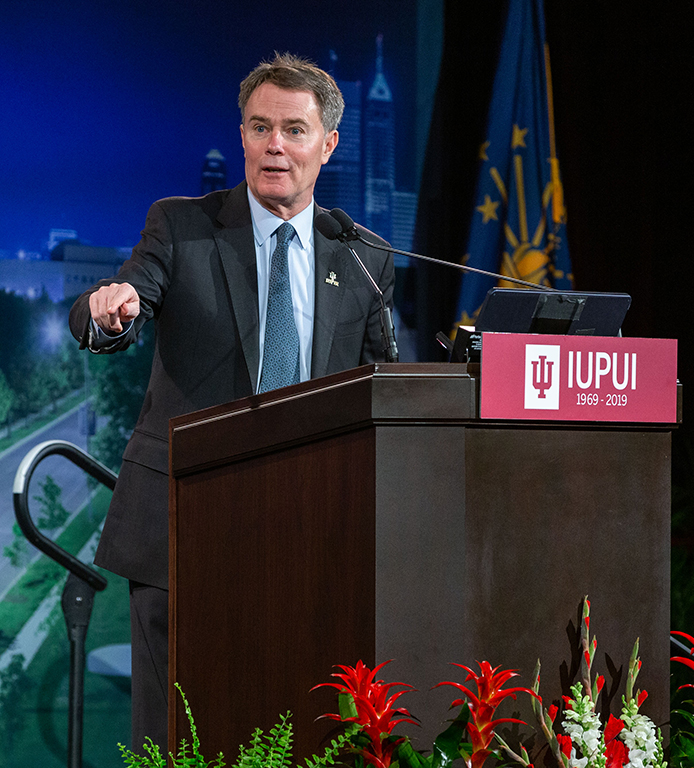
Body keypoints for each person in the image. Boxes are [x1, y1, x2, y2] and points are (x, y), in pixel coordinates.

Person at [69, 52, 394, 752]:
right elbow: (127, 300)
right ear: (242, 136)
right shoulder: (182, 227)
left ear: (329, 144)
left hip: (311, 537)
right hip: (183, 529)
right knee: (172, 740)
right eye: (258, 127)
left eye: (293, 130)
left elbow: (379, 390)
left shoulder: (362, 255)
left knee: (291, 733)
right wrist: (109, 313)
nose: (274, 144)